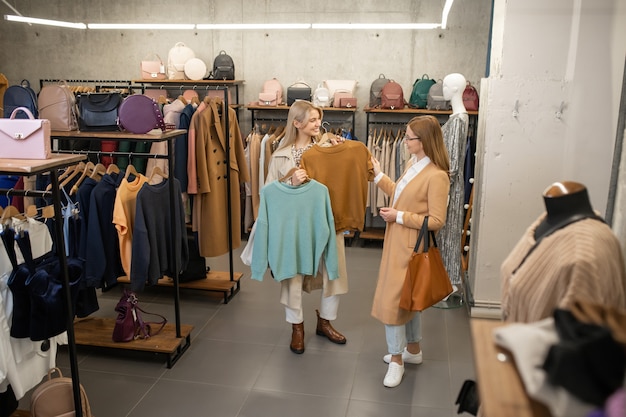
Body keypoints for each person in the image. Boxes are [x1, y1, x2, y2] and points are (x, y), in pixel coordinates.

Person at [262, 100, 349, 354]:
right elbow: (267, 192)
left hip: (328, 219)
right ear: (296, 123)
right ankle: (296, 327)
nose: (317, 124)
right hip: (294, 225)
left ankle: (325, 322)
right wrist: (290, 179)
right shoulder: (279, 155)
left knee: (334, 272)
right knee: (293, 276)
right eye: (311, 120)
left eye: (318, 119)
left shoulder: (329, 147)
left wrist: (337, 148)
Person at [370, 115, 451, 388]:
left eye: (409, 138)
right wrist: (379, 175)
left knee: (393, 302)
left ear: (423, 141)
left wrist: (399, 216)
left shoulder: (437, 176)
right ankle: (413, 350)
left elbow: (437, 220)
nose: (405, 141)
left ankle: (397, 360)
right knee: (408, 299)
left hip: (410, 246)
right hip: (399, 243)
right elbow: (399, 194)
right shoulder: (412, 165)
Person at [501, 181, 626, 323]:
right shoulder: (543, 223)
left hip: (542, 344)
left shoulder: (584, 254)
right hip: (517, 339)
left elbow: (581, 335)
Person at [438, 73, 469, 290]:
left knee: (449, 233)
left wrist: (443, 188)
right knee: (446, 233)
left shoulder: (458, 119)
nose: (443, 90)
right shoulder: (456, 117)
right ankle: (446, 281)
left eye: (446, 86)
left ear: (456, 89)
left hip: (450, 186)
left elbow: (455, 162)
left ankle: (451, 283)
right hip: (447, 184)